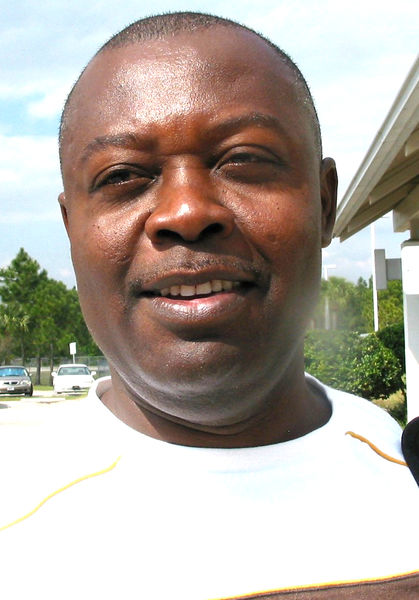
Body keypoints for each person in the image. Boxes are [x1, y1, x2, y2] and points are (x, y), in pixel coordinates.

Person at [1, 12, 418, 600]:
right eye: (123, 176)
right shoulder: (16, 530)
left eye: (243, 160)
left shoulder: (405, 469)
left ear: (324, 205)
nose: (187, 212)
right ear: (72, 229)